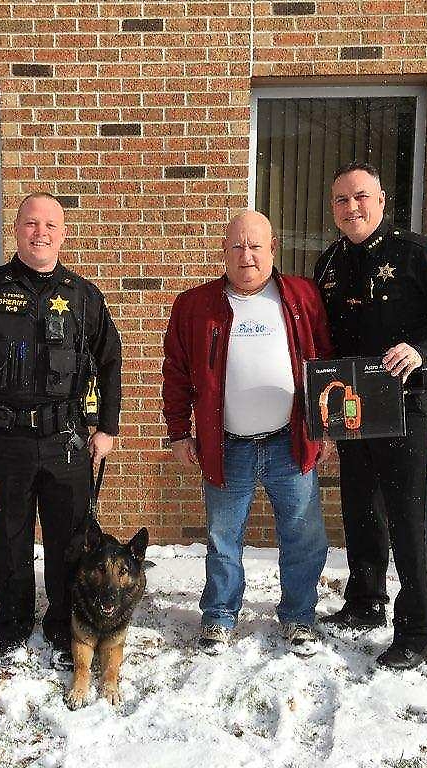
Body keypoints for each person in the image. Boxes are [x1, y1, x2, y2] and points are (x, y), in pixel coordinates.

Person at [314, 161, 427, 670]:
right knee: (359, 507)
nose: (352, 208)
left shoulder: (419, 254)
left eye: (361, 196)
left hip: (410, 405)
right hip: (353, 407)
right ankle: (366, 601)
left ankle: (416, 629)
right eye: (342, 200)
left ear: (383, 199)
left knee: (408, 515)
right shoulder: (330, 263)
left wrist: (424, 348)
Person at [0, 192, 122, 668]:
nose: (40, 233)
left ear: (63, 233)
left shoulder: (84, 296)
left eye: (50, 225)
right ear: (16, 229)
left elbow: (110, 360)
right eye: (31, 224)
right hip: (7, 440)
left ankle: (64, 624)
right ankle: (15, 625)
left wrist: (108, 428)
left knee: (70, 542)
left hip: (67, 440)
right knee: (11, 536)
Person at [162, 210, 333, 656]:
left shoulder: (301, 296)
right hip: (226, 445)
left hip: (290, 440)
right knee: (223, 539)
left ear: (273, 248)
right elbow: (177, 373)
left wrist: (327, 428)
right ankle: (219, 616)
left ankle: (299, 617)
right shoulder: (194, 305)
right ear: (223, 252)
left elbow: (325, 364)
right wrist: (179, 431)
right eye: (237, 246)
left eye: (255, 245)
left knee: (302, 535)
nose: (247, 255)